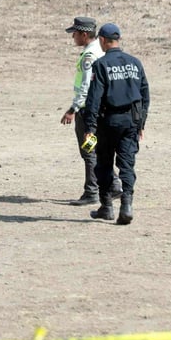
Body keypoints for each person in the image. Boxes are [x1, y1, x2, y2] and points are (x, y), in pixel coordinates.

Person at [81, 24, 149, 225]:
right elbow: (145, 95)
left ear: (102, 40)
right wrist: (141, 123)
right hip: (130, 122)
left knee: (104, 163)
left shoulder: (101, 65)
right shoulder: (135, 63)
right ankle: (126, 205)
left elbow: (94, 99)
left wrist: (89, 129)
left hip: (107, 122)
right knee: (127, 164)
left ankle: (107, 206)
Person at [59, 16, 121, 206]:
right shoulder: (99, 51)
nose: (73, 38)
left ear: (84, 34)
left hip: (87, 111)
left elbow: (86, 86)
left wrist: (73, 109)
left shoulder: (89, 56)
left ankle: (92, 191)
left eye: (75, 34)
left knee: (89, 151)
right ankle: (114, 184)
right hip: (100, 109)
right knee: (97, 149)